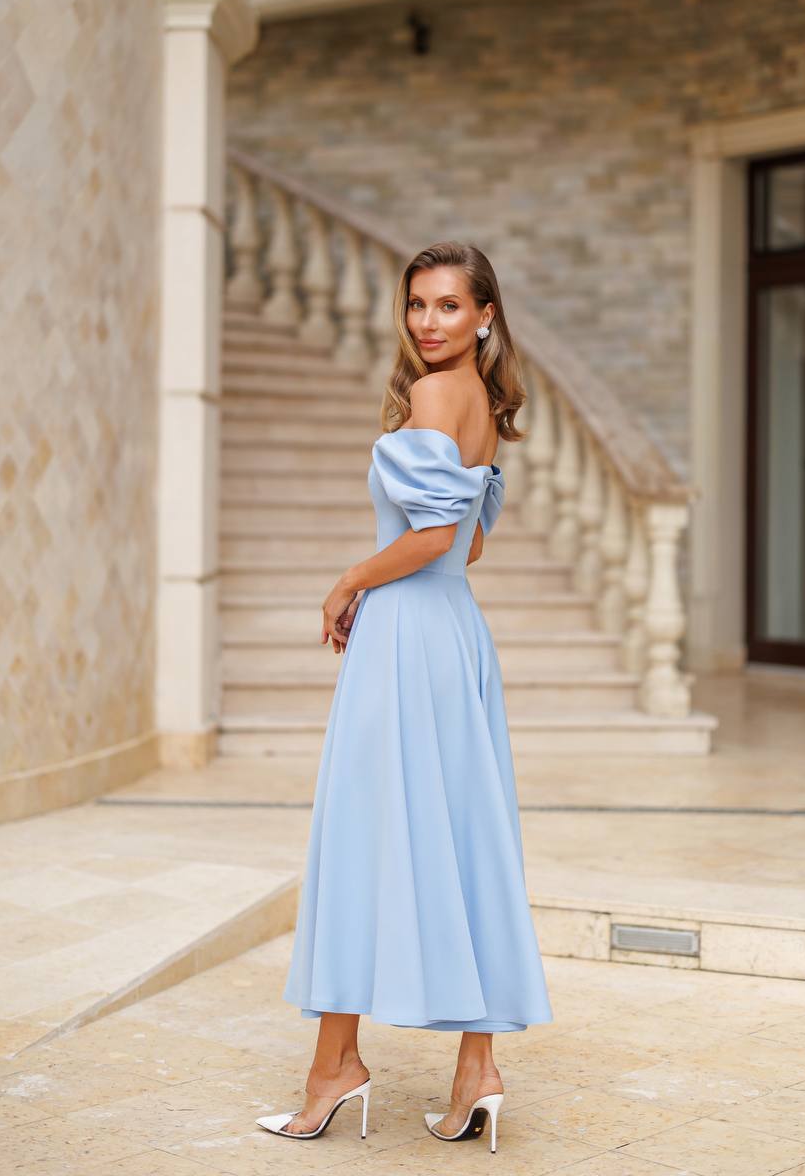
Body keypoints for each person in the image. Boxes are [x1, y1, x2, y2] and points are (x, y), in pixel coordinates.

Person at [256, 241, 553, 1151]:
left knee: (361, 837)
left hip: (406, 643)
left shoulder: (433, 397)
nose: (428, 322)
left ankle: (334, 1069)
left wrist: (349, 580)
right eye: (418, 305)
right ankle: (476, 1068)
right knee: (463, 839)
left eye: (449, 307)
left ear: (485, 316)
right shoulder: (481, 406)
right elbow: (465, 548)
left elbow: (431, 537)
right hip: (451, 637)